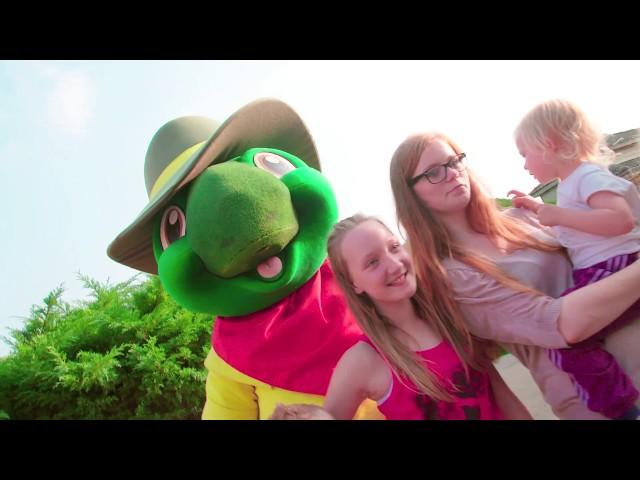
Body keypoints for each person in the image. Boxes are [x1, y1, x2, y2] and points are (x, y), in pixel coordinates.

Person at [388, 131, 640, 419]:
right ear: (411, 194)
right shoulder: (453, 277)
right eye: (434, 172)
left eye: (454, 161)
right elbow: (562, 326)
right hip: (596, 400)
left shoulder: (524, 216)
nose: (452, 174)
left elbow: (603, 250)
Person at [271, 214, 531, 420]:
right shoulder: (362, 360)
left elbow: (506, 400)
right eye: (372, 262)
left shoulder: (449, 316)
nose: (394, 265)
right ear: (353, 284)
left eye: (394, 247)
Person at [507, 99, 640, 419]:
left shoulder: (587, 176)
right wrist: (538, 209)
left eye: (525, 154)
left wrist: (558, 215)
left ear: (548, 144)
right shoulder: (574, 183)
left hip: (613, 267)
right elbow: (577, 228)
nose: (524, 165)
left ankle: (620, 407)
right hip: (605, 268)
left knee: (564, 339)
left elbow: (620, 219)